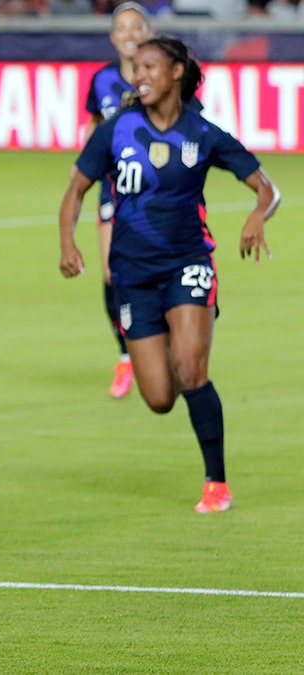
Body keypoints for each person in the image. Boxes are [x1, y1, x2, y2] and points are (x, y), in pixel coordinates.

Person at [58, 35, 280, 513]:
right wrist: (68, 243)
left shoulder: (204, 134)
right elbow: (75, 191)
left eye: (149, 66)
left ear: (177, 71)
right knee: (159, 397)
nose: (138, 75)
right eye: (136, 67)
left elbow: (267, 188)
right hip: (131, 275)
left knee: (192, 369)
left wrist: (258, 214)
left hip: (189, 263)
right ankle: (180, 366)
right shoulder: (116, 130)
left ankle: (216, 484)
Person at [80, 1, 153, 398]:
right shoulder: (102, 80)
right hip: (114, 188)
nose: (129, 34)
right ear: (112, 36)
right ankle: (127, 359)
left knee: (158, 267)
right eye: (121, 27)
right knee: (112, 274)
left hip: (159, 190)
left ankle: (160, 344)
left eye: (136, 27)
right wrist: (85, 164)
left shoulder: (160, 78)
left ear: (148, 34)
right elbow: (93, 124)